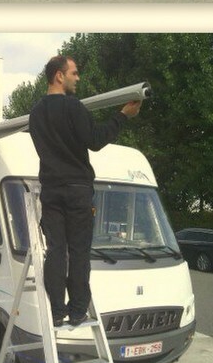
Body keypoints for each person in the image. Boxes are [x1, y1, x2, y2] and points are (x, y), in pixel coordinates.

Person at [28, 56, 143, 326]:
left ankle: (57, 311)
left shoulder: (35, 113)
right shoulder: (73, 107)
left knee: (56, 250)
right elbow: (95, 140)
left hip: (51, 190)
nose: (77, 78)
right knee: (79, 250)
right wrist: (123, 116)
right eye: (74, 73)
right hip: (77, 190)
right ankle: (78, 309)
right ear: (59, 76)